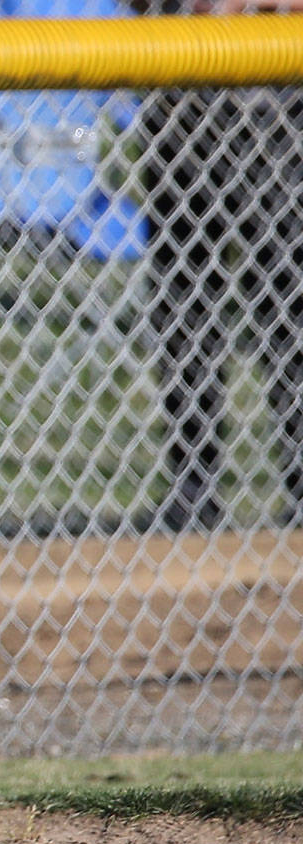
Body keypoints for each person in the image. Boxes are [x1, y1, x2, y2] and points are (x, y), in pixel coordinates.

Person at [140, 0, 303, 531]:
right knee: (185, 302)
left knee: (286, 299)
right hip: (181, 99)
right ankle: (194, 489)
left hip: (277, 97)